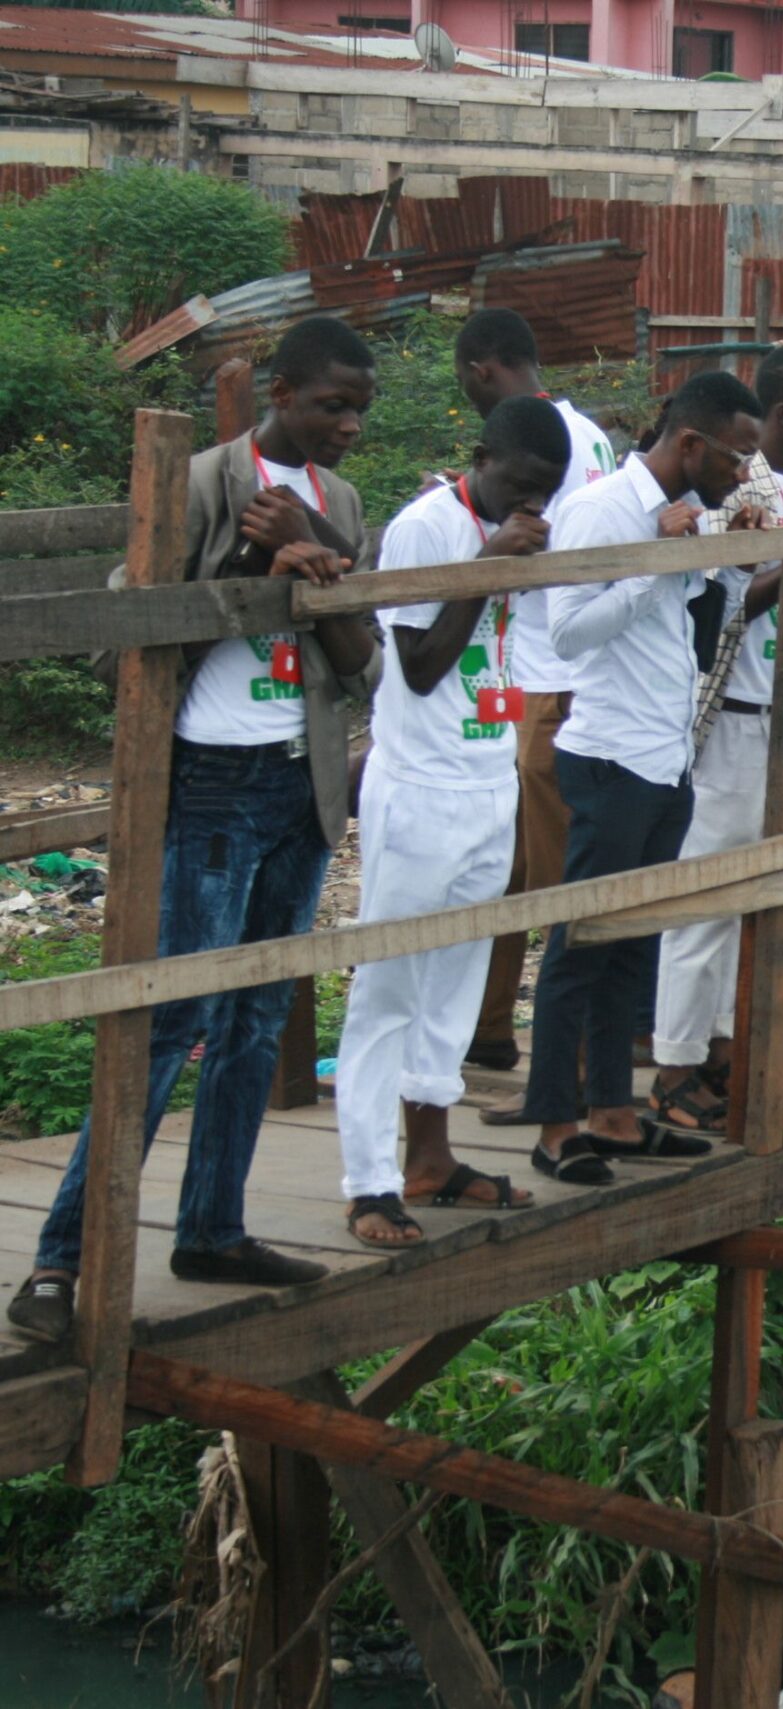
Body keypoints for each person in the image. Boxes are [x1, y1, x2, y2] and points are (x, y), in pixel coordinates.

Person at [8, 317, 382, 1342]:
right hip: (212, 777)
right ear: (282, 391)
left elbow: (362, 660)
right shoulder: (210, 479)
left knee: (256, 1021)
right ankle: (56, 1259)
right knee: (168, 1015)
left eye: (359, 410)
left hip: (301, 782)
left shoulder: (342, 500)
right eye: (329, 405)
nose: (347, 425)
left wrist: (320, 567)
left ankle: (211, 1225)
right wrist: (253, 555)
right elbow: (130, 623)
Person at [520, 372, 765, 1186]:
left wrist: (728, 561)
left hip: (665, 752)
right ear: (691, 443)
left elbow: (694, 621)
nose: (742, 473)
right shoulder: (598, 509)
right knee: (581, 941)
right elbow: (568, 633)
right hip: (609, 751)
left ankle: (614, 1113)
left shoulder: (684, 513)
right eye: (738, 457)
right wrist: (655, 561)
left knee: (635, 940)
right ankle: (556, 1125)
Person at [335, 397, 569, 1247]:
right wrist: (485, 561)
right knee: (388, 989)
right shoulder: (428, 528)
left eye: (544, 493)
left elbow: (530, 648)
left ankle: (430, 1157)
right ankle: (368, 1182)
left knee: (456, 986)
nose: (529, 506)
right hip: (420, 787)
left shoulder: (524, 528)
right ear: (480, 457)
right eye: (518, 486)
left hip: (487, 779)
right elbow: (423, 665)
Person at [646, 346, 783, 1134]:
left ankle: (728, 1047)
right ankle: (674, 1062)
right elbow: (730, 602)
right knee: (703, 897)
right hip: (725, 715)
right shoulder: (735, 491)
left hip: (780, 716)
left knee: (756, 897)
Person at [454, 308, 618, 1082]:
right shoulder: (585, 434)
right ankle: (487, 1028)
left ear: (484, 369)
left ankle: (575, 1048)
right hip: (524, 676)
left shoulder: (559, 444)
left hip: (553, 676)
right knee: (504, 865)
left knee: (552, 872)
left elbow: (568, 551)